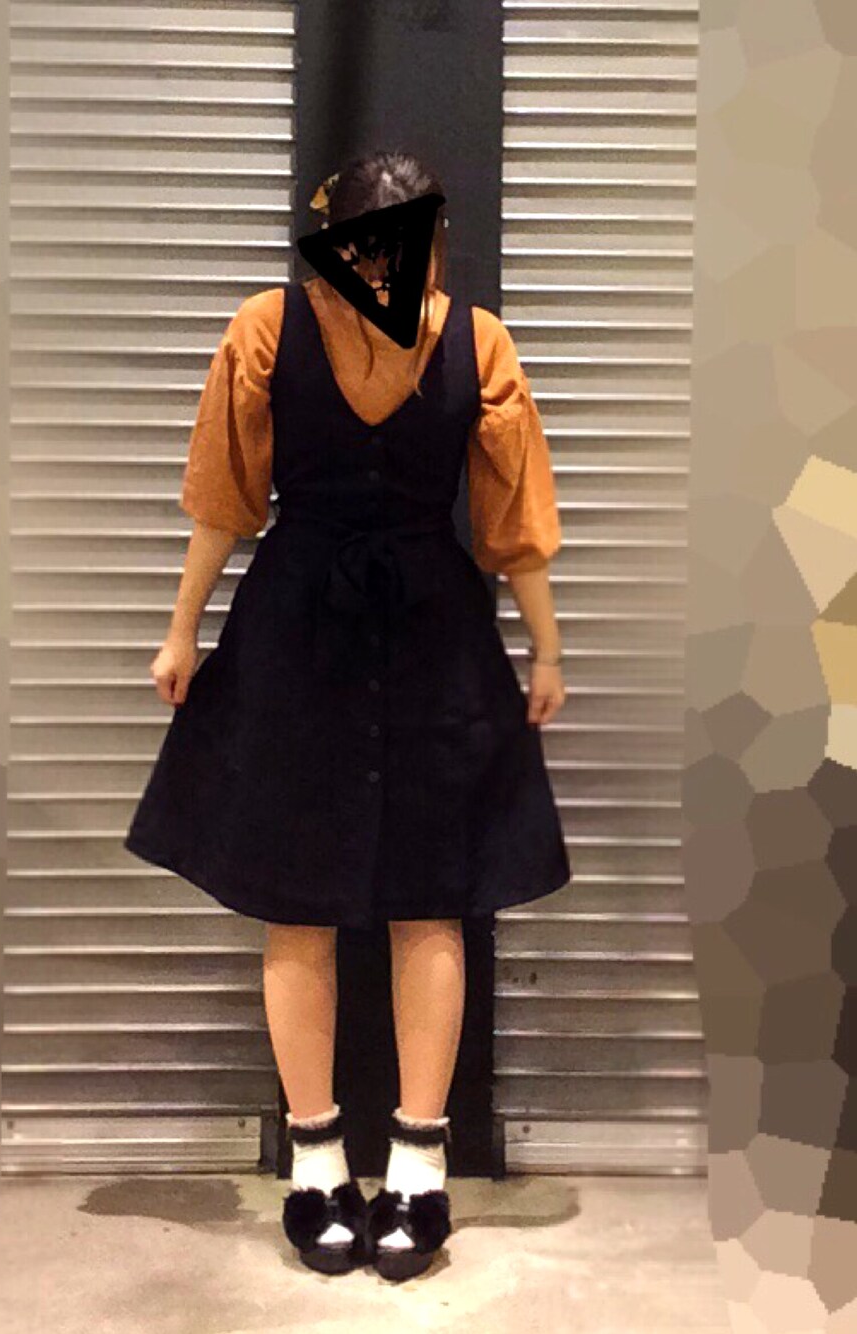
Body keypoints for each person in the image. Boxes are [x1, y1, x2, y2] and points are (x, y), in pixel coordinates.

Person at [123, 150, 572, 1280]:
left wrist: (548, 647)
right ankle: (316, 1160)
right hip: (298, 624)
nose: (376, 273)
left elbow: (513, 516)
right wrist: (180, 631)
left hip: (432, 630)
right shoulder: (266, 329)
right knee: (298, 899)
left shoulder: (478, 343)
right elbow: (223, 498)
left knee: (433, 900)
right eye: (360, 254)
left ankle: (419, 1163)